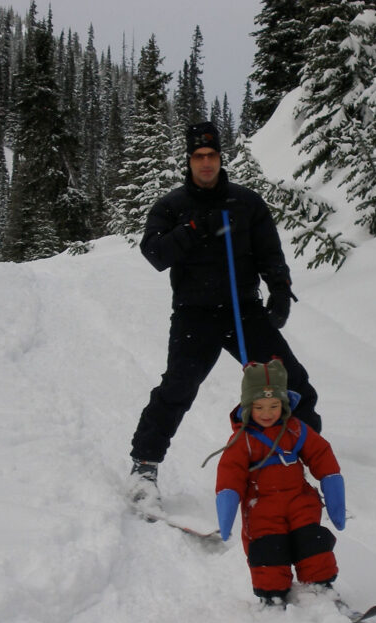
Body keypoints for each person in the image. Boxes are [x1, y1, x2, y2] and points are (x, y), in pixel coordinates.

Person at [128, 120, 322, 506]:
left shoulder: (245, 203)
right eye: (199, 156)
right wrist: (194, 228)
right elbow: (154, 254)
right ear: (189, 160)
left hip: (243, 310)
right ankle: (144, 466)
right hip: (193, 315)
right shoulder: (171, 206)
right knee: (177, 388)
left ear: (220, 158)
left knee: (292, 380)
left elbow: (270, 252)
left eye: (212, 155)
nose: (206, 163)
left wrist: (280, 292)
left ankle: (307, 456)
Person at [213, 358, 346, 606]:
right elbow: (230, 472)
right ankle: (272, 595)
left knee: (312, 541)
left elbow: (320, 454)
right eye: (259, 407)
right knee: (268, 549)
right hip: (262, 506)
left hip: (300, 501)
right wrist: (228, 502)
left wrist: (332, 482)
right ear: (247, 406)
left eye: (274, 406)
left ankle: (320, 587)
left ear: (283, 404)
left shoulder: (295, 429)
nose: (267, 413)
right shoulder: (243, 440)